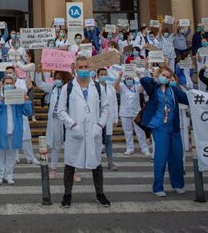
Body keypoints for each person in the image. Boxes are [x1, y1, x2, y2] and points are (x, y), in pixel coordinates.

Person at [56, 56, 111, 208]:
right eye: (80, 67)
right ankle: (67, 194)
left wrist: (99, 125)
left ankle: (100, 194)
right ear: (75, 68)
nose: (83, 70)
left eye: (86, 67)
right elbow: (61, 111)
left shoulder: (98, 87)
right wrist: (72, 125)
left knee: (96, 164)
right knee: (70, 164)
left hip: (93, 131)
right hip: (76, 132)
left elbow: (105, 108)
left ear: (90, 68)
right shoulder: (69, 87)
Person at [139, 65, 189, 197]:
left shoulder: (173, 90)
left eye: (168, 77)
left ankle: (178, 184)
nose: (166, 78)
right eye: (164, 76)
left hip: (174, 127)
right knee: (161, 157)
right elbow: (144, 80)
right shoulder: (153, 88)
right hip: (159, 127)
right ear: (159, 75)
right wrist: (156, 78)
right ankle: (158, 187)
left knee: (177, 156)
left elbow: (187, 98)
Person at [0, 74, 32, 185]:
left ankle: (9, 175)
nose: (8, 85)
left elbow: (27, 112)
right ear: (2, 85)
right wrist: (0, 101)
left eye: (10, 83)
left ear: (14, 85)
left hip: (14, 130)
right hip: (1, 131)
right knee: (0, 155)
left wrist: (26, 101)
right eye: (6, 83)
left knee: (11, 155)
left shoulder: (18, 97)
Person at [115, 73, 150, 157]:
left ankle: (144, 149)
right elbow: (115, 87)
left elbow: (145, 86)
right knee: (127, 132)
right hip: (125, 113)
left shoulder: (137, 87)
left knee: (140, 131)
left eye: (131, 79)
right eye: (127, 79)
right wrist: (119, 76)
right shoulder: (122, 87)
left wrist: (139, 76)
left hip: (136, 113)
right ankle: (129, 148)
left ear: (133, 80)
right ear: (125, 80)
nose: (129, 80)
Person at [96, 68, 119, 171]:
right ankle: (96, 163)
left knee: (108, 140)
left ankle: (110, 162)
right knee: (97, 141)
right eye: (101, 74)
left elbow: (114, 103)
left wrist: (116, 118)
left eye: (105, 74)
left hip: (109, 118)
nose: (103, 76)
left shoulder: (111, 88)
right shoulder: (93, 87)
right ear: (97, 76)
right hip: (97, 118)